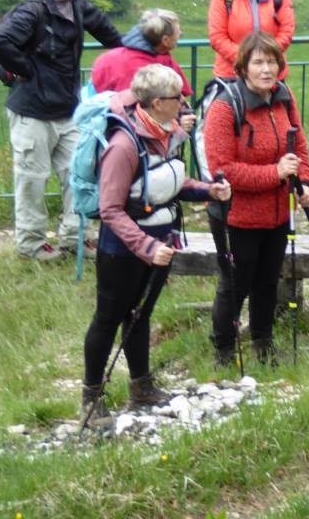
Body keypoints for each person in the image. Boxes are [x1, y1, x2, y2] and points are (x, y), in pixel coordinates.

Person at [81, 65, 231, 424]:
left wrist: (207, 190)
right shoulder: (122, 146)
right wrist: (147, 247)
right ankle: (91, 397)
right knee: (108, 318)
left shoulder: (165, 133)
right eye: (178, 97)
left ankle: (141, 388)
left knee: (140, 315)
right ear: (157, 102)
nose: (184, 102)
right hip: (122, 251)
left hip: (160, 242)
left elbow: (170, 183)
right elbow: (110, 210)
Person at [0, 0, 123, 262]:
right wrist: (27, 69)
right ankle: (31, 245)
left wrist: (139, 52)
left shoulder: (78, 5)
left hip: (68, 110)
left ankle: (76, 238)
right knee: (31, 181)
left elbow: (110, 35)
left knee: (79, 175)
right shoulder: (31, 11)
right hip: (31, 112)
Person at [202, 33, 309, 365]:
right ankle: (223, 350)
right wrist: (275, 174)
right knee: (235, 285)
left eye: (272, 62)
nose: (267, 70)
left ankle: (263, 345)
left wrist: (304, 181)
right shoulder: (225, 107)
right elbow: (222, 170)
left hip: (278, 213)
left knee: (268, 282)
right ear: (243, 67)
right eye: (259, 63)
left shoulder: (284, 96)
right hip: (235, 216)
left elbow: (299, 145)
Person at [91, 8, 195, 130]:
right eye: (178, 33)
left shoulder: (106, 59)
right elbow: (137, 118)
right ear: (165, 40)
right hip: (131, 136)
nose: (180, 35)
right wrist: (177, 126)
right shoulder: (150, 69)